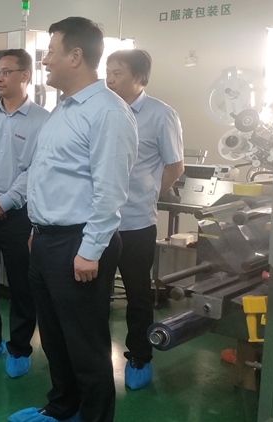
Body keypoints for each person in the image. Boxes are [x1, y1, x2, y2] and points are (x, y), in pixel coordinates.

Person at [8, 18, 138, 422]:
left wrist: (90, 250)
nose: (45, 60)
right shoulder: (62, 110)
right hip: (47, 240)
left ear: (76, 56)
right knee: (54, 336)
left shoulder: (108, 112)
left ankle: (95, 416)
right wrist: (37, 228)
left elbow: (110, 191)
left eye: (51, 51)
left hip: (80, 242)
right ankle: (62, 406)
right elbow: (47, 174)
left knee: (85, 342)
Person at [105, 49, 184, 390]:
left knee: (137, 294)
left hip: (136, 222)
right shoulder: (104, 111)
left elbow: (175, 165)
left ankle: (139, 356)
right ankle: (93, 359)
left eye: (117, 73)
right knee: (94, 294)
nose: (109, 79)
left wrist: (150, 195)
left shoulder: (160, 114)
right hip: (100, 222)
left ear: (138, 77)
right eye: (108, 72)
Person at [0, 49, 50, 379]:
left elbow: (37, 169)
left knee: (21, 283)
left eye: (7, 72)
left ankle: (19, 347)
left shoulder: (43, 120)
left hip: (20, 212)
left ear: (25, 76)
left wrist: (5, 201)